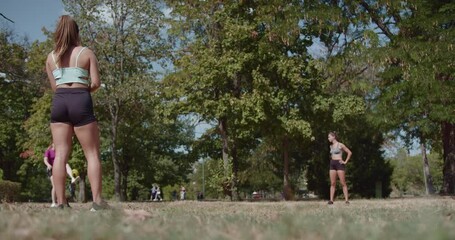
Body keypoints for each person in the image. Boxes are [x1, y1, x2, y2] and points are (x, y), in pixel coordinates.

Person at [45, 15, 106, 211]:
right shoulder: (86, 53)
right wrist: (82, 92)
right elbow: (95, 83)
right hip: (81, 98)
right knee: (92, 154)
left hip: (60, 101)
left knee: (61, 154)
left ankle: (61, 203)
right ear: (76, 33)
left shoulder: (50, 57)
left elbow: (55, 87)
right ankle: (97, 203)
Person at [43, 143, 80, 207]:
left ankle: (72, 177)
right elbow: (45, 160)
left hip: (59, 168)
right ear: (52, 144)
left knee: (66, 164)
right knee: (55, 186)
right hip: (51, 169)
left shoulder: (59, 152)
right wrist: (48, 165)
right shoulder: (48, 151)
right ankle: (53, 202)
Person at [327, 131, 352, 204]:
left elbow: (349, 152)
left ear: (333, 137)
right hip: (332, 164)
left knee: (343, 183)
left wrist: (345, 161)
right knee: (332, 183)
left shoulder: (340, 145)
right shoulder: (330, 146)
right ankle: (331, 200)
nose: (328, 138)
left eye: (329, 137)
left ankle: (346, 200)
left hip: (339, 164)